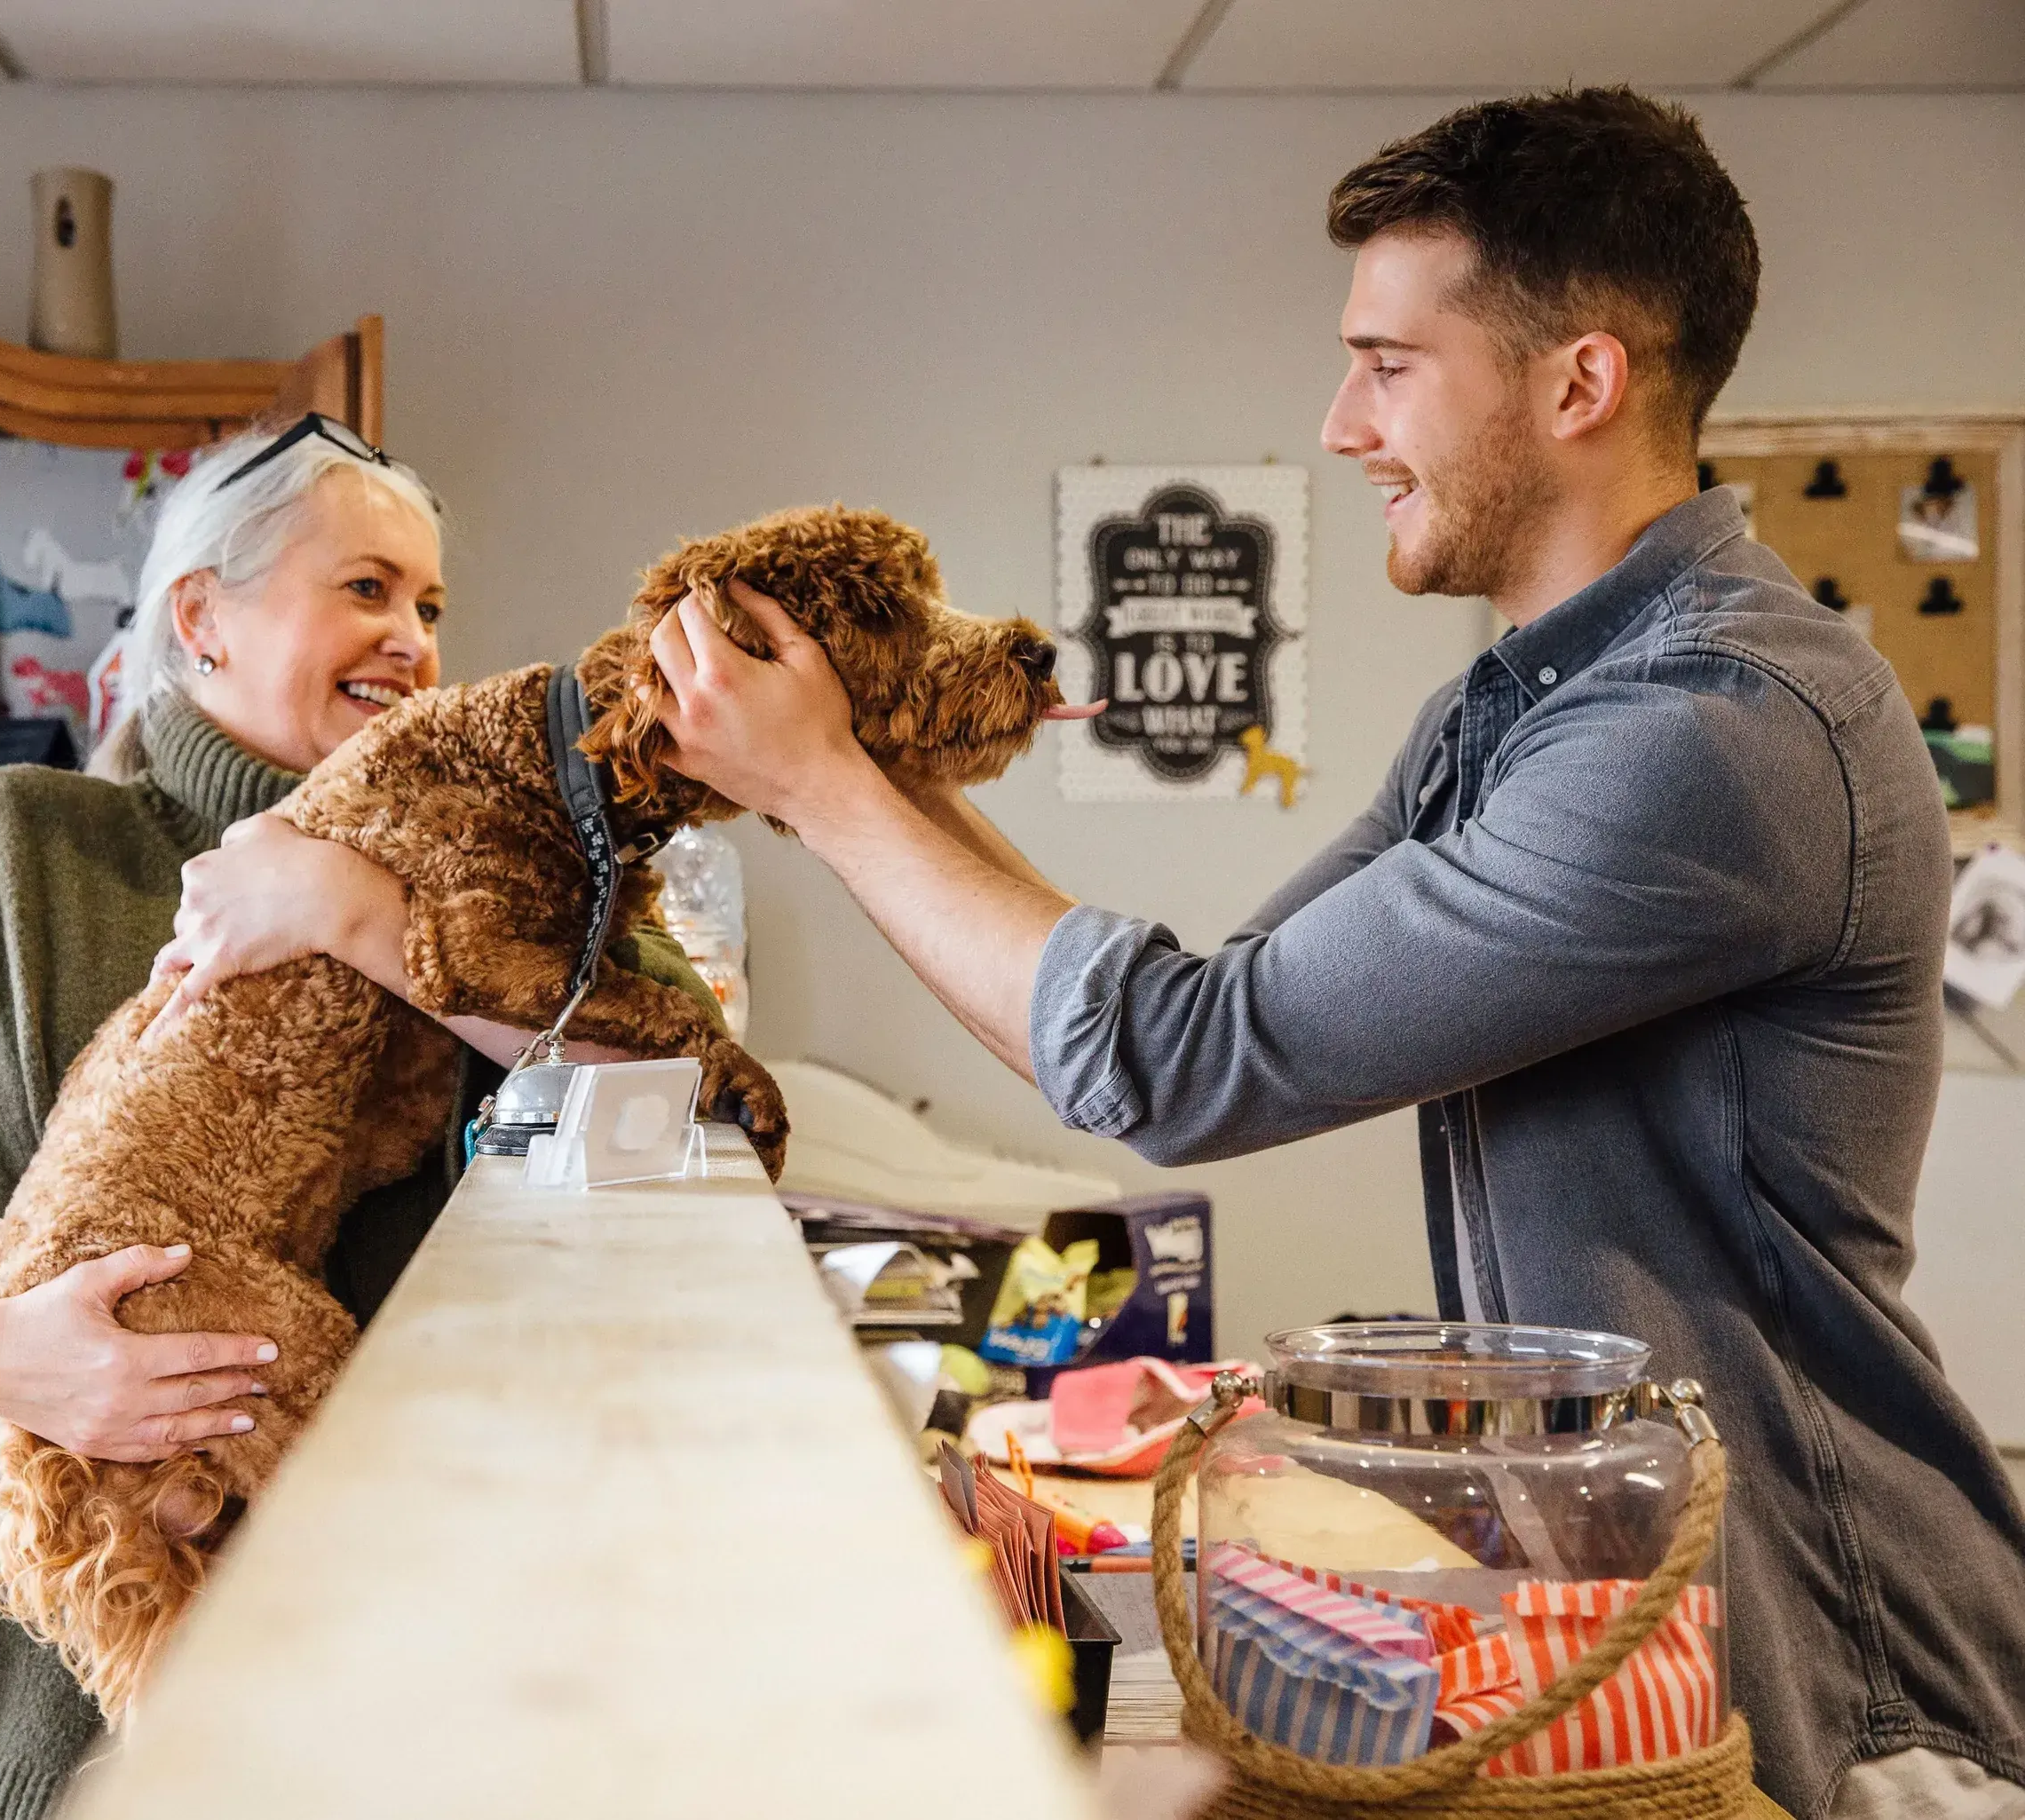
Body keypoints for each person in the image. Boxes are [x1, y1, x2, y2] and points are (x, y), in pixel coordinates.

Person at [631, 91, 2025, 1818]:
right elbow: (1189, 1015)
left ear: (1577, 383)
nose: (1343, 420)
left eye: (1388, 363)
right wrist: (869, 767)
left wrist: (831, 789)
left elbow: (1177, 1065)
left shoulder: (1714, 733)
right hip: (1629, 1598)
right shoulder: (1511, 710)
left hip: (1835, 1667)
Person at [0, 415, 721, 1820]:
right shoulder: (16, 846)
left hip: (376, 1658)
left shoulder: (500, 892)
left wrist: (359, 917)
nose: (413, 637)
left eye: (429, 605)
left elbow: (680, 1107)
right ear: (202, 616)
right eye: (364, 588)